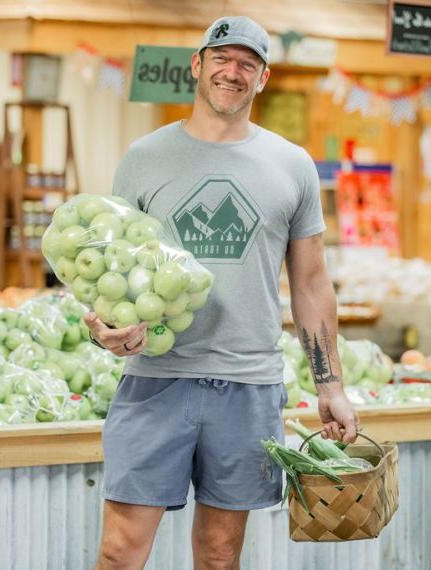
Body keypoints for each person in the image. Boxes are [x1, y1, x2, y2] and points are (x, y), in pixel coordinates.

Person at [85, 16, 359, 570]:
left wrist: (331, 385)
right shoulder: (144, 157)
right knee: (119, 551)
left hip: (247, 384)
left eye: (247, 64)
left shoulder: (292, 165)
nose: (232, 72)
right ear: (198, 65)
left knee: (219, 554)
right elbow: (109, 271)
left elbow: (309, 282)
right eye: (222, 59)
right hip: (155, 381)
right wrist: (102, 324)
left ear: (262, 79)